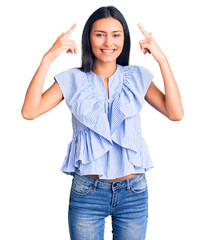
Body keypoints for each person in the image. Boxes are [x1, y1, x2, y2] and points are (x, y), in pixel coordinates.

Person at [21, 5, 184, 240]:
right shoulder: (73, 79)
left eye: (116, 35)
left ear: (124, 39)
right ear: (89, 38)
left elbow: (175, 113)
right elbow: (30, 111)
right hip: (88, 192)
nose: (109, 43)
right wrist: (47, 58)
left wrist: (162, 59)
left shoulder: (137, 76)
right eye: (100, 34)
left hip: (133, 191)